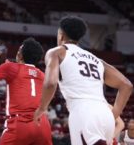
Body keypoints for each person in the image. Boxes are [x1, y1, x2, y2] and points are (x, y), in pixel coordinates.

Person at [34, 16, 133, 145]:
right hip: (105, 115)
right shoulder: (96, 60)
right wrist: (113, 115)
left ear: (61, 35)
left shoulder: (56, 52)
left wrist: (42, 108)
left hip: (83, 112)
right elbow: (126, 85)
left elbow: (50, 83)